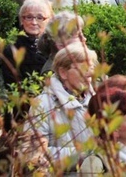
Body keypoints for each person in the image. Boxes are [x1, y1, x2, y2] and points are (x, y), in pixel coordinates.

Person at [29, 43, 96, 171]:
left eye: (91, 67)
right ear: (63, 72)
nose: (90, 73)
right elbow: (34, 155)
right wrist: (84, 155)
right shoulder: (42, 105)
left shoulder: (97, 100)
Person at [1, 0, 52, 85]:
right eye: (29, 17)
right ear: (22, 20)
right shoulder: (12, 50)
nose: (34, 22)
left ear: (48, 20)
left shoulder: (55, 46)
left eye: (40, 18)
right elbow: (12, 86)